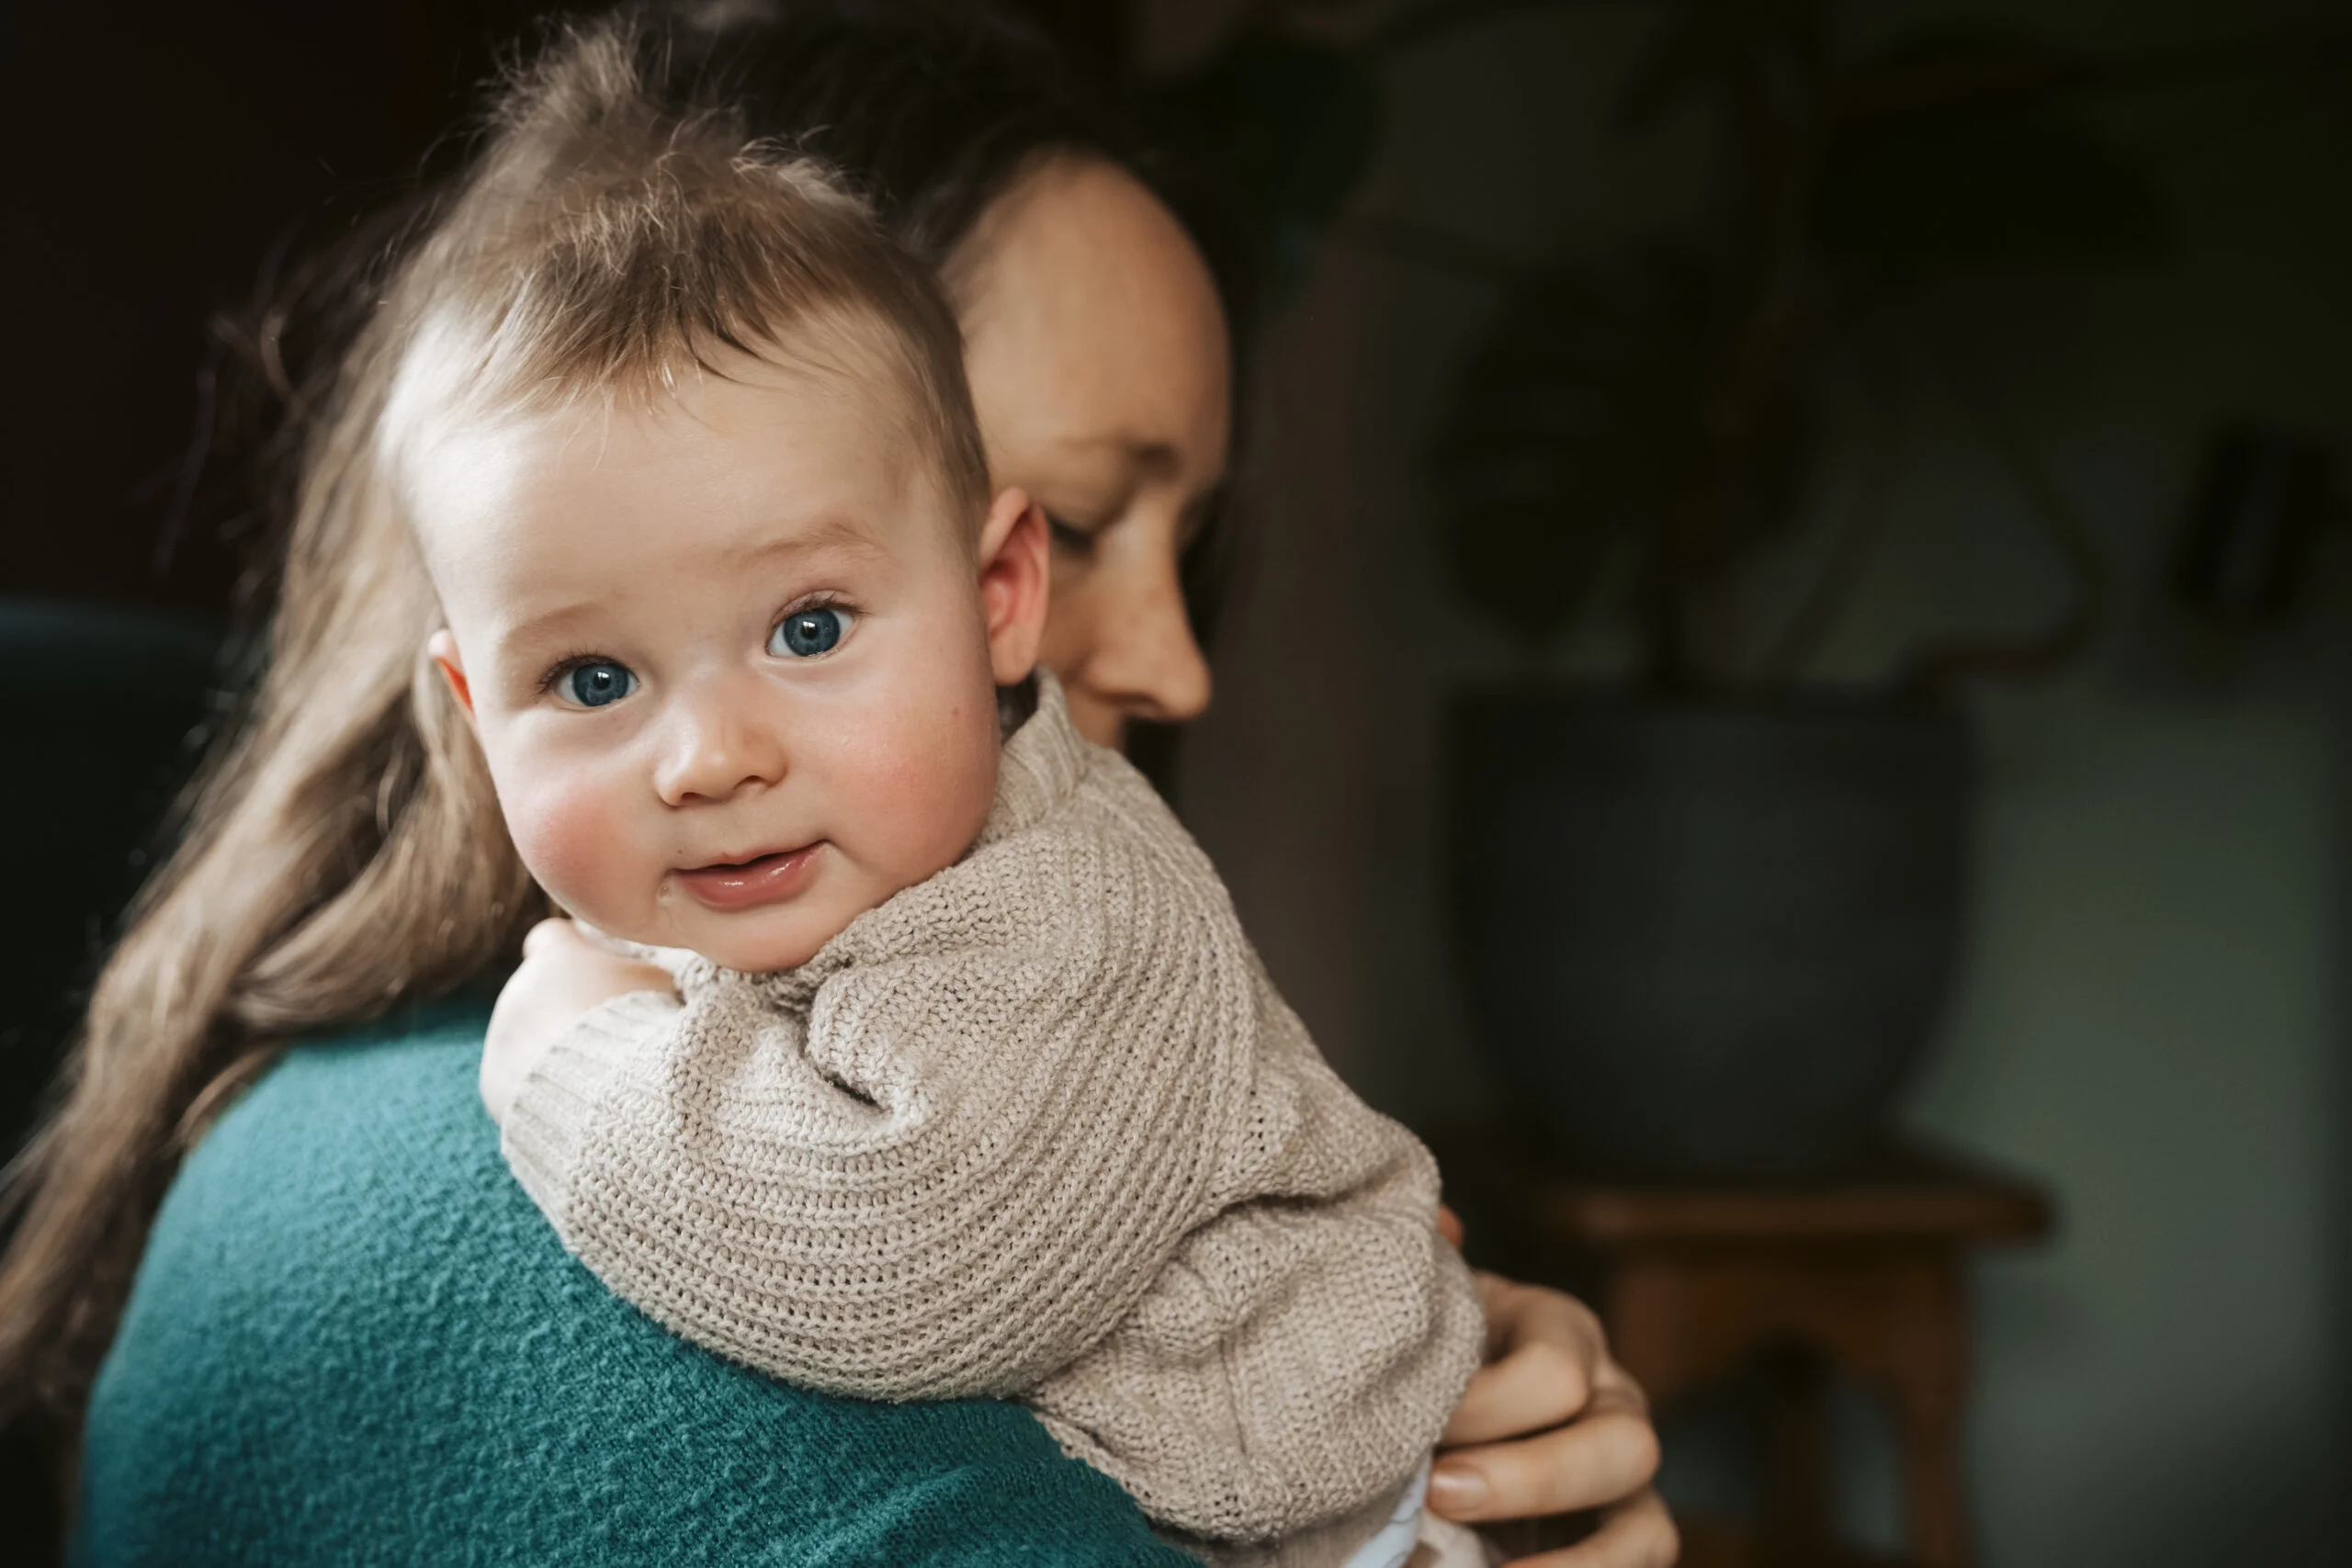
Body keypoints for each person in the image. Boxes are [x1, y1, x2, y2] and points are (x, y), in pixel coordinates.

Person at [0, 5, 1671, 1564]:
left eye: (810, 624)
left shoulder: (1036, 906)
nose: (1178, 664)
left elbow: (982, 1236)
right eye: (1089, 513)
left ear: (982, 581)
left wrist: (1407, 1355)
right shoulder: (541, 1221)